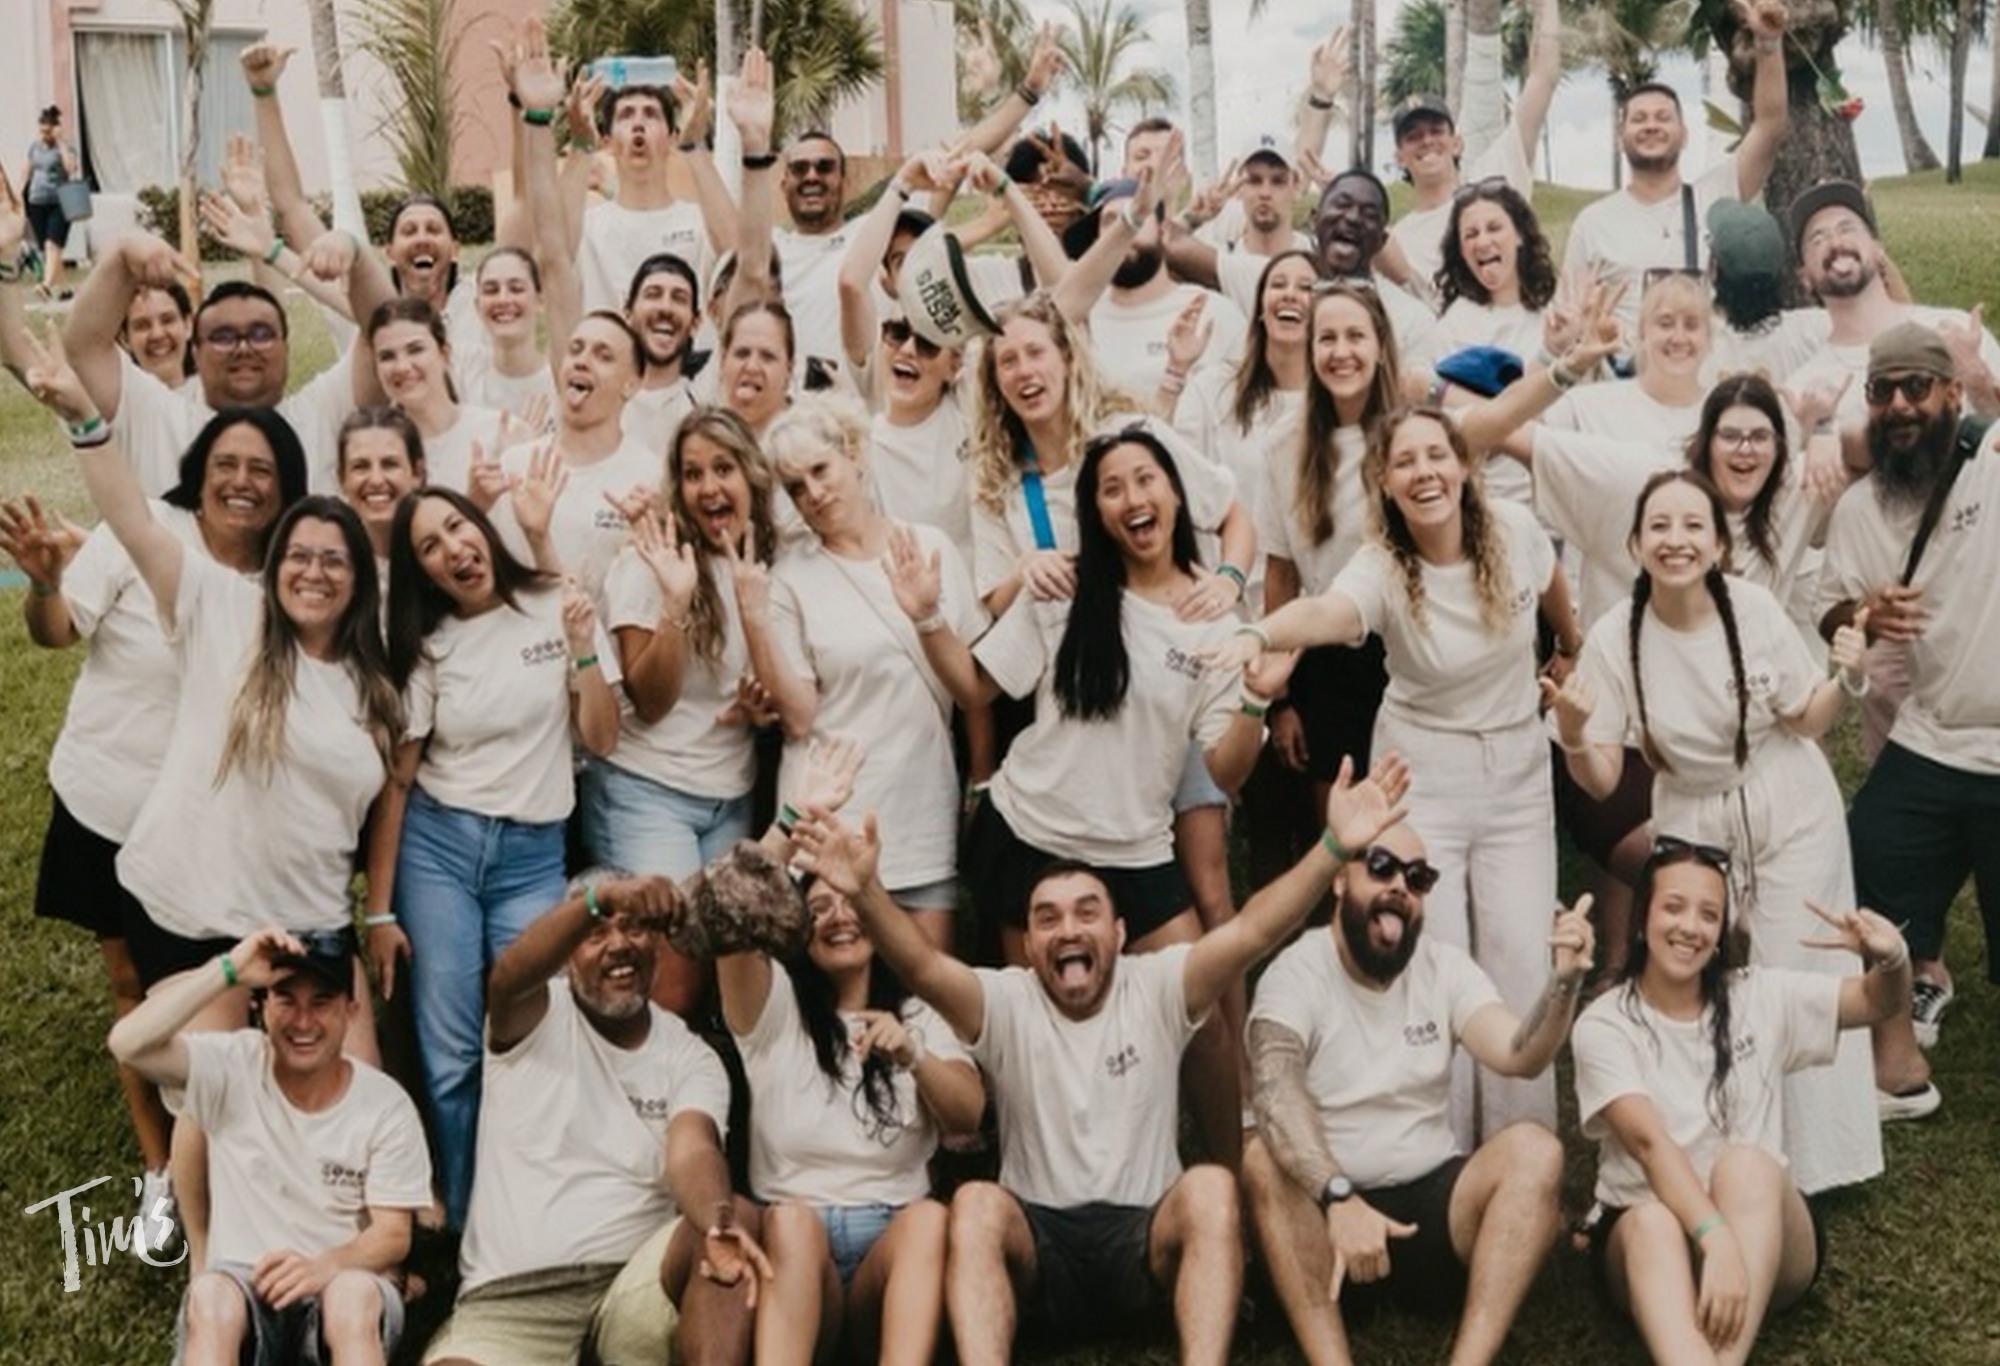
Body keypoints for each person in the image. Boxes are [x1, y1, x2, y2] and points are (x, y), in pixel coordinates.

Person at [785, 751, 1414, 1366]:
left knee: (1212, 1189)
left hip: (1145, 1241)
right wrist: (865, 892)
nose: (1068, 931)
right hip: (1040, 1248)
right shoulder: (1005, 1000)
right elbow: (921, 965)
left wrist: (1334, 847)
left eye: (1088, 913)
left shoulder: (1160, 984)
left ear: (1118, 933)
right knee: (975, 1205)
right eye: (1047, 919)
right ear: (1028, 946)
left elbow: (1251, 932)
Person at [896, 425, 1283, 1162]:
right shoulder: (1067, 593)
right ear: (1096, 511)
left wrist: (1259, 702)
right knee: (1033, 1038)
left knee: (1201, 1023)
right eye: (1111, 488)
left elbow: (1225, 771)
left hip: (1136, 847)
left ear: (1176, 494)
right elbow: (974, 684)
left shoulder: (1213, 621)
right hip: (1030, 837)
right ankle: (1035, 1197)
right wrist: (926, 614)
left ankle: (1227, 1189)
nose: (1133, 498)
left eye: (1146, 480)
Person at [1211, 405, 1585, 1140]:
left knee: (1517, 955)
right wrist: (1257, 631)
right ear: (1384, 482)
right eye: (1405, 462)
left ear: (1464, 465)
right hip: (1422, 773)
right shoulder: (1380, 564)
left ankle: (1521, 1148)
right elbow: (1321, 613)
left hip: (1516, 769)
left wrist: (1569, 644)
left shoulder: (1512, 530)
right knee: (1432, 953)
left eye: (1436, 456)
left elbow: (1551, 587)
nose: (1424, 473)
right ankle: (1437, 1149)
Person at [1547, 468, 1921, 1195]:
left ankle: (1817, 1166)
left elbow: (1807, 720)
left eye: (1694, 526)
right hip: (1690, 814)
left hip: (1788, 800)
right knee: (1711, 976)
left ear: (1719, 543)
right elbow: (1598, 778)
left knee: (1797, 968)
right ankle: (1727, 1152)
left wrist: (1844, 681)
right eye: (1659, 526)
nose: (1676, 540)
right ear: (1634, 542)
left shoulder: (1749, 609)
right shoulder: (1614, 636)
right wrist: (1570, 734)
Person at [3, 403, 305, 1255]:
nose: (242, 482)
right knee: (133, 989)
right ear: (200, 471)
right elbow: (54, 633)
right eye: (227, 464)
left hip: (208, 826)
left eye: (263, 469)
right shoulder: (139, 531)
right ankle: (159, 1181)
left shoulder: (288, 570)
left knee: (219, 996)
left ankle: (241, 1168)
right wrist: (45, 582)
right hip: (107, 804)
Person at [1241, 817, 1595, 1366]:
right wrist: (1338, 1196)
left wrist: (1564, 983)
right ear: (1339, 880)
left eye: (1418, 876)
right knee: (1263, 1158)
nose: (1399, 886)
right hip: (1323, 1221)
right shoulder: (1295, 973)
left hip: (1429, 1207)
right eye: (1380, 866)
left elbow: (1521, 1056)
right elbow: (1275, 1093)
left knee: (1536, 1151)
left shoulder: (1443, 968)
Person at [370, 482, 621, 1228]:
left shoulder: (554, 599)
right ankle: (469, 1216)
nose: (453, 549)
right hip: (439, 851)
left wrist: (581, 652)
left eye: (457, 527)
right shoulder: (428, 642)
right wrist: (380, 907)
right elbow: (398, 781)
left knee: (533, 1034)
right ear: (422, 572)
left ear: (483, 526)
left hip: (531, 856)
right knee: (451, 1050)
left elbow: (603, 738)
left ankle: (534, 1209)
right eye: (430, 548)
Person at [1571, 839, 1915, 1366]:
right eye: (1673, 907)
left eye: (1709, 914)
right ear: (1641, 919)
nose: (1690, 927)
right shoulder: (1604, 1023)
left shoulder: (1759, 996)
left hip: (1762, 1235)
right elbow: (1648, 1143)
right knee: (1649, 1221)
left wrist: (1891, 958)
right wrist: (1714, 1239)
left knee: (1747, 1165)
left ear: (1721, 932)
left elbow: (1875, 1001)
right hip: (1651, 1245)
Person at [420, 868, 773, 1366]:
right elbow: (509, 975)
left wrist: (717, 1221)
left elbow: (692, 1149)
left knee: (728, 1220)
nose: (618, 945)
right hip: (511, 1308)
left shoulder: (689, 1056)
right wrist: (598, 897)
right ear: (567, 955)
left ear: (658, 945)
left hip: (627, 1294)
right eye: (596, 932)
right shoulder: (534, 1015)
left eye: (635, 928)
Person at [109, 929, 432, 1366]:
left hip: (340, 1284)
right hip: (246, 1285)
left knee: (352, 1299)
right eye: (286, 1001)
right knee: (211, 1295)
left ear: (350, 1012)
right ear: (261, 1009)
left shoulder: (384, 1105)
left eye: (321, 1003)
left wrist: (324, 1266)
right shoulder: (231, 1065)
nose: (303, 1022)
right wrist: (227, 970)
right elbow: (127, 1044)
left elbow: (393, 1235)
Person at [1820, 322, 2000, 1057]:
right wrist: (1864, 614)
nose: (1899, 405)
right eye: (1882, 390)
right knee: (1864, 855)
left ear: (1952, 392)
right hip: (1931, 733)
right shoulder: (1863, 508)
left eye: (1917, 387)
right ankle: (1916, 976)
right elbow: (1829, 606)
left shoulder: (1990, 458)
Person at [718, 868, 984, 1366]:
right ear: (798, 929)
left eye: (853, 904)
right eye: (817, 910)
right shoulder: (773, 1012)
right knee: (793, 1221)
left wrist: (913, 1057)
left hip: (888, 1256)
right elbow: (729, 922)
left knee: (929, 1218)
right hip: (796, 1250)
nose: (838, 918)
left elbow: (966, 1115)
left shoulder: (922, 1012)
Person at [753, 396, 984, 950]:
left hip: (920, 804)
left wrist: (981, 775)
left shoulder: (929, 547)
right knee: (837, 1004)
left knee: (929, 999)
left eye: (820, 470)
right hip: (830, 815)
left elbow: (973, 684)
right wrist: (752, 616)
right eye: (795, 487)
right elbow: (800, 713)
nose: (813, 493)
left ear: (853, 455)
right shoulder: (791, 577)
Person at [584, 408, 783, 1012]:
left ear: (752, 476)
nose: (708, 487)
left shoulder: (769, 562)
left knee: (734, 967)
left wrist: (759, 703)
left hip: (730, 792)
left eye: (723, 468)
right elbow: (649, 700)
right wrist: (675, 604)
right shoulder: (651, 559)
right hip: (648, 790)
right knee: (675, 977)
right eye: (693, 474)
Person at [1560, 0, 1790, 336]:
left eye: (1663, 117)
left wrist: (1768, 43)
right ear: (1619, 138)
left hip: (1707, 375)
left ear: (1683, 135)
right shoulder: (1592, 224)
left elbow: (1769, 125)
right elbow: (1567, 317)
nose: (1651, 126)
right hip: (1627, 380)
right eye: (1638, 119)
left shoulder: (1716, 197)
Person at [366, 297, 505, 494]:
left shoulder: (497, 431)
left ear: (444, 355)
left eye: (415, 350)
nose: (402, 367)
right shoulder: (373, 455)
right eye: (387, 357)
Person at [335, 407, 428, 572]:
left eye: (389, 464)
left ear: (417, 473)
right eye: (361, 466)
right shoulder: (334, 566)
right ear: (342, 478)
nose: (376, 480)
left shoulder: (442, 559)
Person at [22, 105, 80, 299]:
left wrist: (61, 141)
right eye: (41, 131)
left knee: (52, 245)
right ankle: (64, 290)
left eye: (48, 131)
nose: (44, 135)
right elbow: (26, 172)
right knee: (48, 249)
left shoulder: (64, 147)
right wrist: (16, 196)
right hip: (36, 202)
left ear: (55, 129)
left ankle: (45, 286)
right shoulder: (34, 147)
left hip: (60, 201)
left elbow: (70, 169)